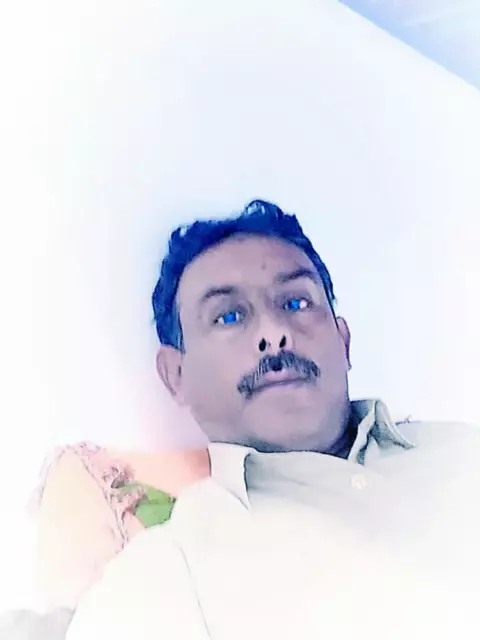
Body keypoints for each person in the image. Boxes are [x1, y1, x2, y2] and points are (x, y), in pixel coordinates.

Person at [67, 200, 480, 640]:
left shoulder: (463, 452)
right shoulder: (161, 580)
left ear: (343, 340)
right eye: (228, 316)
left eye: (296, 302)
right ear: (176, 375)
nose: (274, 333)